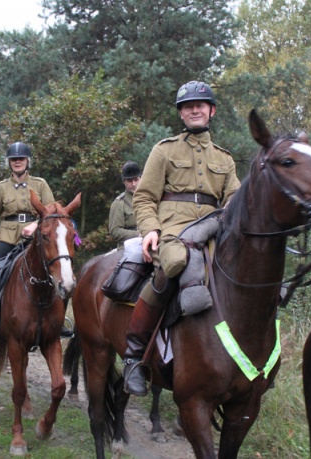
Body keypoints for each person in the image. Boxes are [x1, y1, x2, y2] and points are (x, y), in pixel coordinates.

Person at [122, 81, 241, 396]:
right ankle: (134, 355)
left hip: (215, 228)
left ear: (211, 110)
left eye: (201, 104)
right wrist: (150, 230)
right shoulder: (164, 150)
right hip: (173, 227)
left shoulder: (225, 159)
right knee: (176, 262)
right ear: (182, 113)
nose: (195, 109)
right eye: (188, 106)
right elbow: (144, 197)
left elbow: (235, 200)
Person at [0, 142, 56, 341]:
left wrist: (35, 225)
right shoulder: (1, 188)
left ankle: (59, 322)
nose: (17, 162)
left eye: (20, 159)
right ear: (9, 163)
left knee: (57, 271)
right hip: (6, 238)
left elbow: (52, 212)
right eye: (14, 159)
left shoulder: (40, 184)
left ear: (27, 161)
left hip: (35, 239)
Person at [108, 161, 142, 250]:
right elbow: (115, 232)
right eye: (129, 181)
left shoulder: (151, 199)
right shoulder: (119, 204)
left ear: (141, 179)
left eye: (136, 180)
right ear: (124, 182)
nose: (133, 184)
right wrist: (139, 235)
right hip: (128, 248)